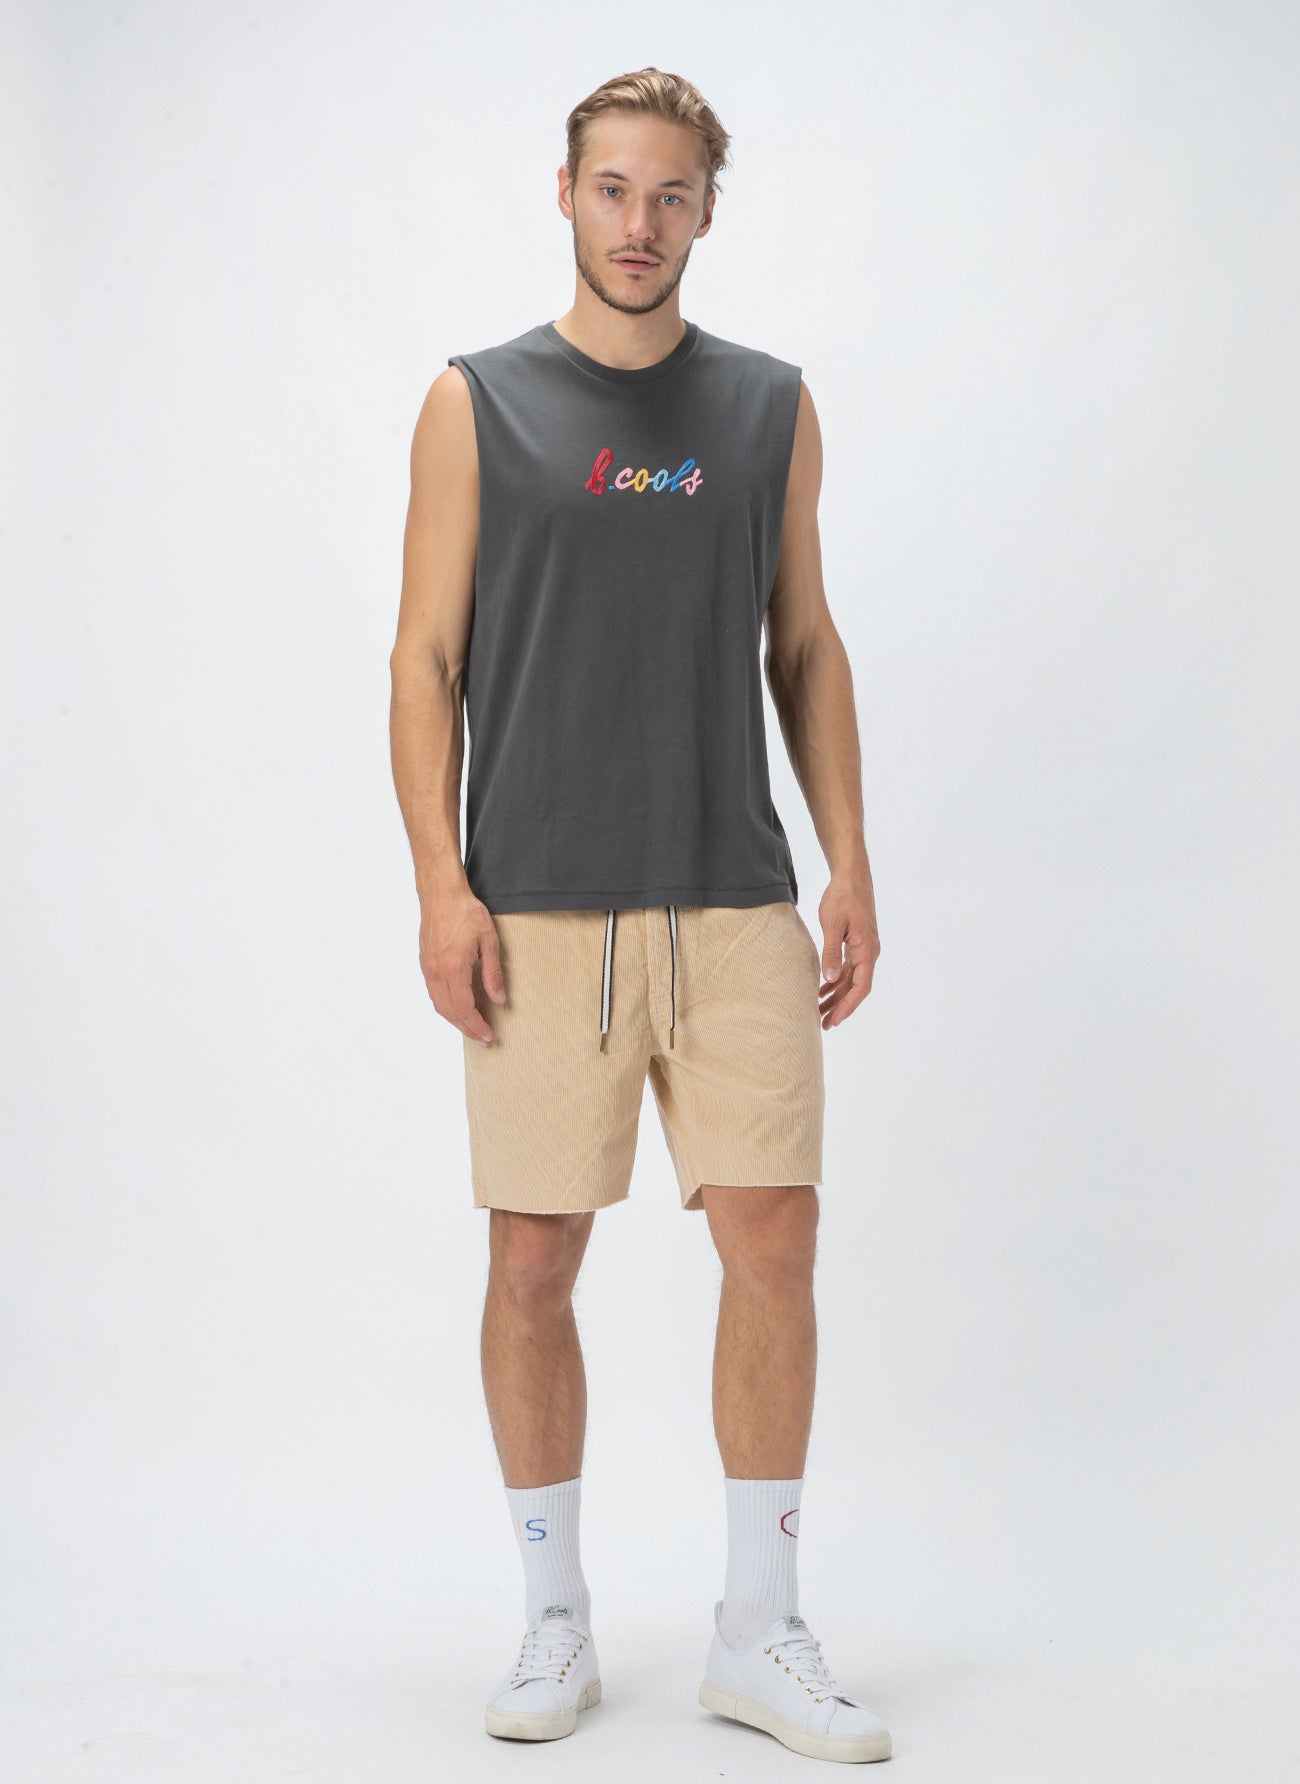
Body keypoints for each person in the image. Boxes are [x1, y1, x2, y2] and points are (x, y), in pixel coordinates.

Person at [388, 66, 890, 1765]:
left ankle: (761, 1625)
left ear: (707, 212)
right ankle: (555, 1616)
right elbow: (425, 658)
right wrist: (441, 881)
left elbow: (805, 641)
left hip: (735, 898)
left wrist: (850, 858)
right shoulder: (476, 403)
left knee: (777, 1245)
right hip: (536, 907)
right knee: (533, 1260)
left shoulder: (769, 409)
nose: (638, 222)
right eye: (612, 188)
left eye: (671, 194)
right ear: (566, 193)